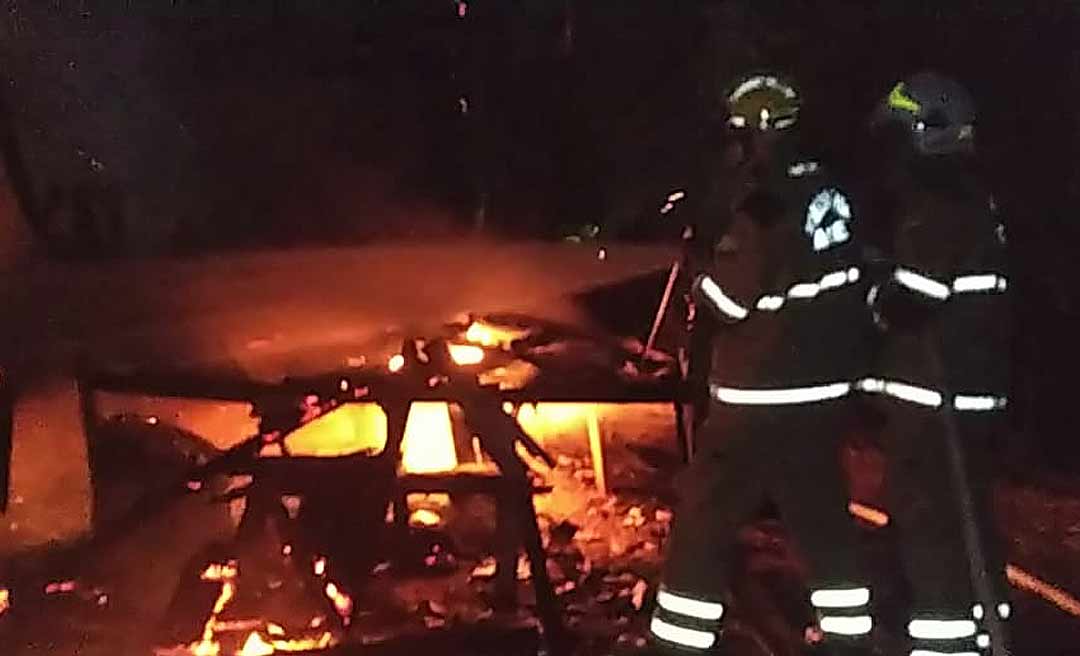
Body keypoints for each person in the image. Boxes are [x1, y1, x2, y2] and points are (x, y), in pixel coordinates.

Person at [650, 71, 877, 655]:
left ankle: (678, 642)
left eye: (737, 135)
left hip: (758, 398)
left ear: (756, 134)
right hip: (822, 393)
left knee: (703, 524)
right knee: (822, 521)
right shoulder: (831, 191)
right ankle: (848, 640)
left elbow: (729, 301)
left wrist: (698, 267)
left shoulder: (762, 207)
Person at [860, 72, 1012, 656]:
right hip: (968, 394)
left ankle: (945, 644)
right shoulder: (971, 198)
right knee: (965, 522)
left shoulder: (939, 204)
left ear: (924, 135)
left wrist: (873, 290)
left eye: (898, 137)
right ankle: (985, 629)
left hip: (935, 401)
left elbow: (910, 302)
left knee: (931, 531)